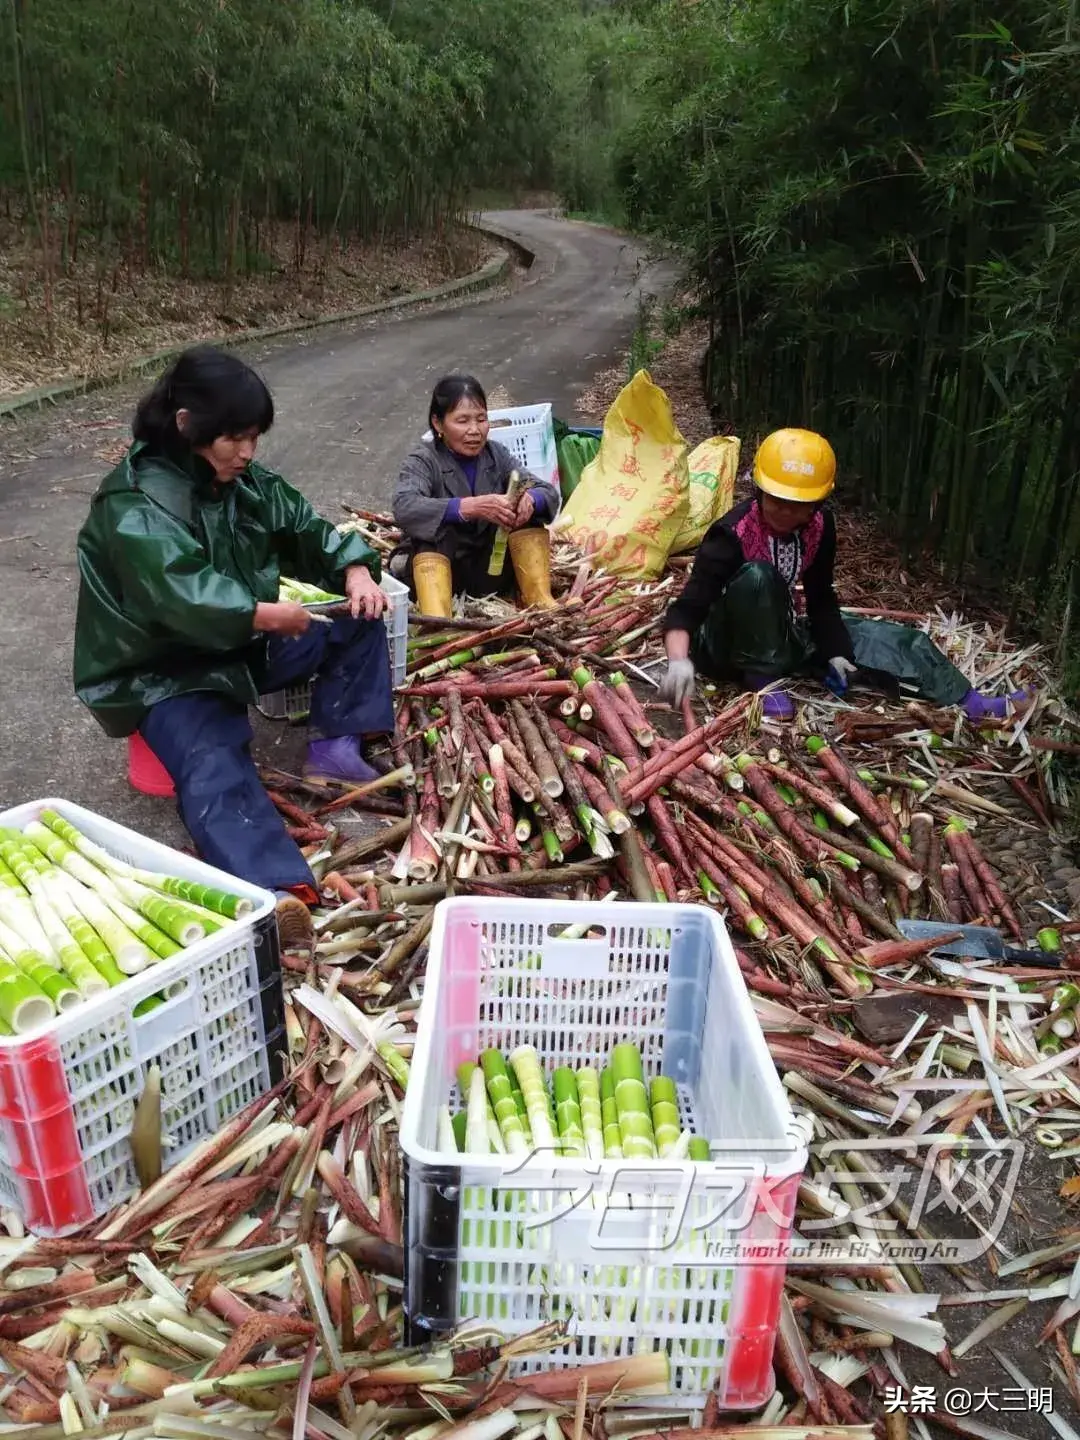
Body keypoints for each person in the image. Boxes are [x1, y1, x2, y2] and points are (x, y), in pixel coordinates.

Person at [73, 345, 395, 952]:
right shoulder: (135, 505)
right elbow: (182, 596)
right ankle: (273, 892)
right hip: (164, 671)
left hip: (240, 646)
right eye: (235, 439)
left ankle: (335, 746)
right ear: (187, 423)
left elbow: (307, 528)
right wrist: (263, 614)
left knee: (355, 619)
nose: (247, 453)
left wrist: (353, 568)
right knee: (216, 763)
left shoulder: (242, 483)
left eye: (254, 439)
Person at [659, 427, 1029, 720]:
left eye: (799, 506)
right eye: (777, 501)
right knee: (758, 576)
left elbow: (821, 598)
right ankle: (762, 680)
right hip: (723, 645)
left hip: (778, 631)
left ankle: (969, 700)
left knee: (884, 637)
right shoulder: (731, 533)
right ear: (759, 490)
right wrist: (679, 660)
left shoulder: (820, 527)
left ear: (817, 504)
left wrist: (837, 651)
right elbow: (689, 607)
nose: (786, 513)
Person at [392, 374, 562, 615]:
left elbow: (547, 491)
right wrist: (468, 507)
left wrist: (531, 500)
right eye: (462, 421)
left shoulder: (496, 454)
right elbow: (405, 505)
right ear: (438, 423)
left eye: (481, 419)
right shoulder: (423, 460)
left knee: (530, 518)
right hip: (444, 570)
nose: (475, 430)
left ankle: (540, 600)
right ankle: (438, 618)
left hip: (489, 570)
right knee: (432, 534)